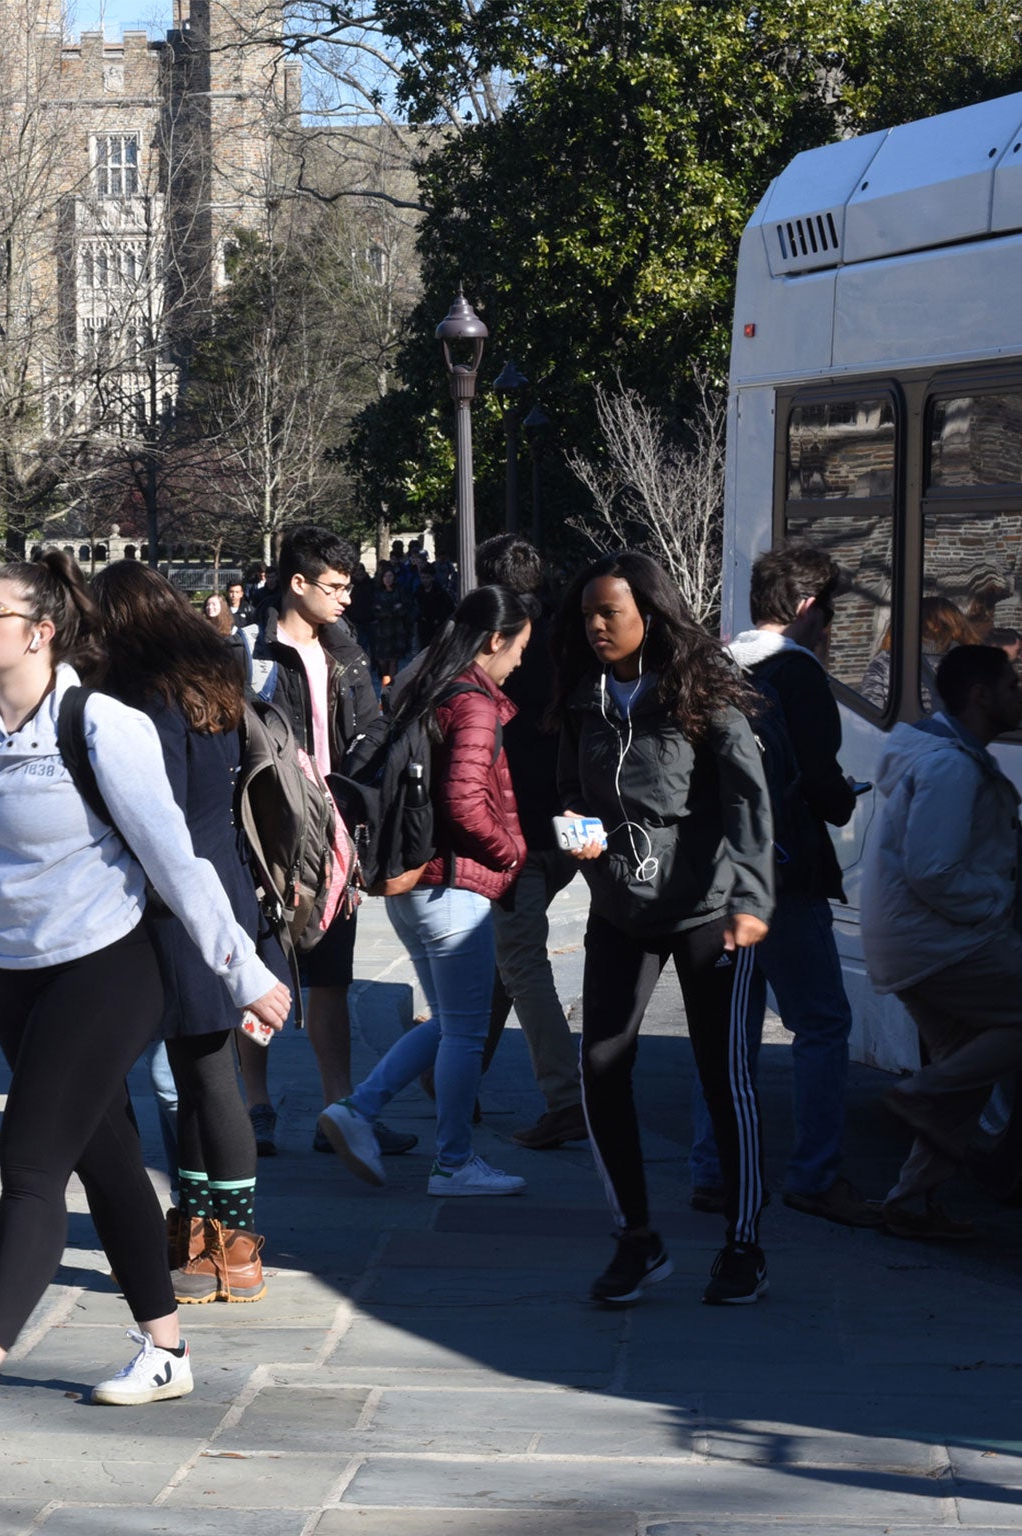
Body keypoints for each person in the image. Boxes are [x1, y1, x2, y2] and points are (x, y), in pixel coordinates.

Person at [0, 552, 291, 1432]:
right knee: (105, 1162)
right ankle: (165, 1350)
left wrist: (244, 972)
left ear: (40, 632)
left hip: (111, 965)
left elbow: (175, 862)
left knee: (29, 1161)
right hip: (16, 971)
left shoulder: (103, 724)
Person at [553, 550, 774, 1307]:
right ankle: (636, 1240)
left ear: (647, 613)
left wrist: (751, 897)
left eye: (607, 612)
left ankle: (743, 1243)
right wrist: (574, 830)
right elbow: (566, 793)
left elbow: (749, 799)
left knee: (724, 1078)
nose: (593, 626)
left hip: (710, 911)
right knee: (601, 1067)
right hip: (620, 909)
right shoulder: (583, 701)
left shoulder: (701, 696)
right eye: (586, 613)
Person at [95, 560, 284, 1305]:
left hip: (173, 897)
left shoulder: (146, 698)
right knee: (202, 1072)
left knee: (201, 1077)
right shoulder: (217, 681)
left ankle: (229, 1248)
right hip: (224, 884)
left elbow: (156, 813)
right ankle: (204, 1232)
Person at [320, 585, 533, 1197]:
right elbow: (465, 802)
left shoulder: (427, 684)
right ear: (495, 639)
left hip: (417, 886)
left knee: (448, 1022)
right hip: (452, 888)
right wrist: (511, 852)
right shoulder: (474, 704)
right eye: (519, 647)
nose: (520, 661)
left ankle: (357, 1109)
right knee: (466, 1032)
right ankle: (454, 1162)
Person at [703, 547, 874, 1228]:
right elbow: (822, 785)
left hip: (716, 873)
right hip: (784, 875)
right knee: (822, 1022)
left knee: (726, 1031)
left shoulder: (714, 666)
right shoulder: (797, 677)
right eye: (828, 612)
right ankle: (813, 1173)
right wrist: (843, 799)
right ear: (807, 608)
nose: (829, 627)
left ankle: (712, 1168)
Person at [237, 525, 406, 1160]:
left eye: (348, 586)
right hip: (269, 835)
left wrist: (347, 787)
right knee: (260, 970)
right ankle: (256, 1106)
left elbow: (372, 726)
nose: (345, 599)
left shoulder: (346, 651)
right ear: (297, 583)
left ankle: (342, 1110)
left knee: (332, 975)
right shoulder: (251, 651)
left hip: (335, 832)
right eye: (333, 587)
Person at [864, 645, 1022, 1239]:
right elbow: (934, 870)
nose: (1019, 695)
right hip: (937, 945)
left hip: (912, 943)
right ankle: (918, 1092)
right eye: (1010, 685)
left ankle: (909, 1200)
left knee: (970, 1068)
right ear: (980, 697)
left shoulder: (947, 756)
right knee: (954, 1076)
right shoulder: (952, 767)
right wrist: (995, 907)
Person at [471, 536, 585, 1152]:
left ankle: (566, 1099)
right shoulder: (570, 638)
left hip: (516, 829)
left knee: (520, 961)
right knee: (502, 958)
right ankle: (460, 1075)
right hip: (567, 824)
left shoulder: (495, 647)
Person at [363, 563, 419, 691]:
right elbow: (375, 609)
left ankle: (391, 686)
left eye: (390, 576)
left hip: (396, 629)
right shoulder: (378, 592)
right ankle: (385, 679)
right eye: (386, 576)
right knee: (382, 660)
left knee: (394, 659)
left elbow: (405, 607)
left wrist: (389, 610)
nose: (388, 579)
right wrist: (391, 610)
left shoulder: (400, 590)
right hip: (381, 630)